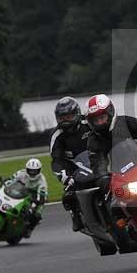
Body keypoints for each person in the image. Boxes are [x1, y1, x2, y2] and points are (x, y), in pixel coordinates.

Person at [49, 96, 92, 232]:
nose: (65, 120)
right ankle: (76, 215)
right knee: (68, 196)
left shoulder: (89, 122)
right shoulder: (57, 135)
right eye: (62, 117)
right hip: (75, 168)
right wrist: (64, 176)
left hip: (98, 160)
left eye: (69, 116)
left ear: (77, 113)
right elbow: (56, 159)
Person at [10, 158, 48, 237]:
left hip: (36, 197)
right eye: (30, 170)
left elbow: (42, 196)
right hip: (21, 192)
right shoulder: (21, 173)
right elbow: (10, 181)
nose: (32, 173)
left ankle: (29, 229)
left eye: (35, 171)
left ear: (39, 170)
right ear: (27, 169)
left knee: (37, 214)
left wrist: (38, 202)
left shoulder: (42, 181)